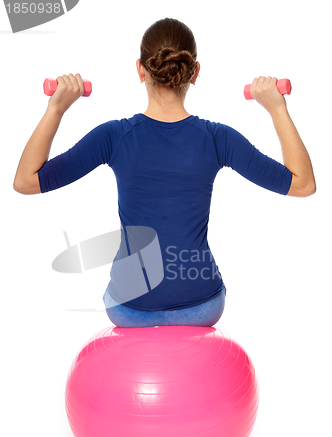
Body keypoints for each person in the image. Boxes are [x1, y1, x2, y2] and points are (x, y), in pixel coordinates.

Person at [13, 18, 316, 328]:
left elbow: (26, 181)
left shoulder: (114, 136)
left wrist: (56, 108)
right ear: (195, 72)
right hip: (203, 305)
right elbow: (302, 184)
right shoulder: (217, 138)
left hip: (131, 308)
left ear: (140, 69)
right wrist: (278, 109)